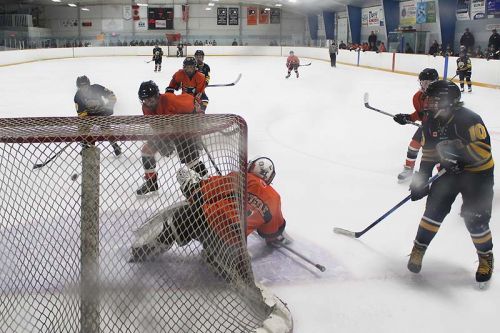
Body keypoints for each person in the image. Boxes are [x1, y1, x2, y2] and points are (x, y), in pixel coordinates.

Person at [407, 80, 494, 285]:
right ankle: (418, 248)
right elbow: (428, 155)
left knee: (475, 219)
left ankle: (485, 257)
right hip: (450, 172)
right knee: (433, 210)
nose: (427, 102)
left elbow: (483, 151)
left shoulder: (469, 119)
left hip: (478, 174)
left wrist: (461, 157)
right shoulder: (430, 121)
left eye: (433, 99)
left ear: (448, 101)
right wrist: (422, 181)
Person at [136, 80, 208, 196]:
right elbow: (157, 127)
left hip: (184, 128)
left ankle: (207, 179)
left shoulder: (170, 100)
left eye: (151, 99)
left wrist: (196, 125)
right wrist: (164, 142)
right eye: (145, 100)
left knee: (191, 162)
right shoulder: (146, 108)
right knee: (146, 151)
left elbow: (192, 103)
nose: (148, 103)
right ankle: (151, 183)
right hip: (168, 130)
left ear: (157, 96)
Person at [393, 68, 439, 182]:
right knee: (413, 145)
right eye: (424, 82)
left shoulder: (443, 96)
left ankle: (444, 174)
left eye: (429, 83)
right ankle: (408, 168)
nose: (426, 86)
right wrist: (407, 118)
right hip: (426, 126)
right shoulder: (418, 97)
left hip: (442, 129)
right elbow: (420, 114)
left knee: (438, 151)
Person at [74, 75, 121, 156]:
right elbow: (81, 115)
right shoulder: (77, 96)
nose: (84, 89)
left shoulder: (97, 88)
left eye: (85, 86)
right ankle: (86, 146)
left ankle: (115, 146)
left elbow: (112, 96)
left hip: (102, 112)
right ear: (78, 87)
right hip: (88, 115)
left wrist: (109, 107)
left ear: (89, 84)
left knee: (106, 129)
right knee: (82, 129)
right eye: (81, 87)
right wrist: (87, 120)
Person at [246, 157, 288, 245]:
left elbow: (210, 187)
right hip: (229, 240)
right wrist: (273, 235)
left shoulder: (236, 176)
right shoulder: (273, 197)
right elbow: (270, 232)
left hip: (210, 220)